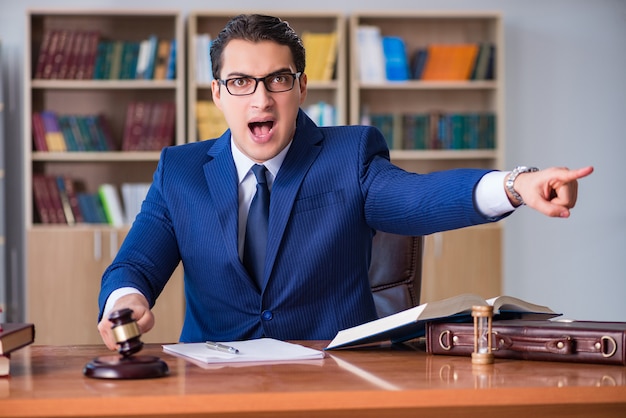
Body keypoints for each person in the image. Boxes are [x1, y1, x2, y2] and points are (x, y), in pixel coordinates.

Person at [97, 14, 593, 350]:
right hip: (212, 385)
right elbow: (136, 264)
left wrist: (515, 184)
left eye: (278, 79)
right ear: (217, 93)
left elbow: (417, 200)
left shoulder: (348, 154)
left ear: (302, 87)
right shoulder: (181, 171)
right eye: (241, 82)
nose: (261, 99)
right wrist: (126, 302)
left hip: (331, 377)